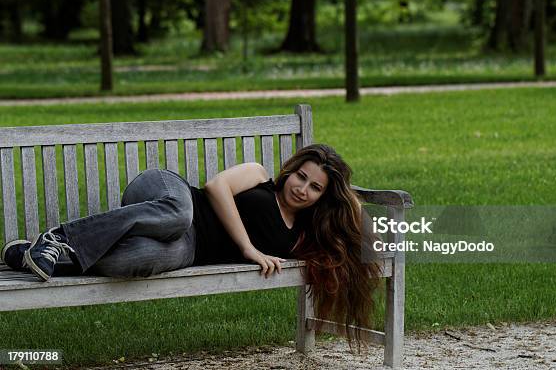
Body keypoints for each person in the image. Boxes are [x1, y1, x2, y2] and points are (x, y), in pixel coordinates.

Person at [1, 144, 380, 345]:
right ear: (291, 169)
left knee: (129, 263)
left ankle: (32, 255)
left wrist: (344, 196)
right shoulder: (259, 175)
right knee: (176, 216)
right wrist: (248, 249)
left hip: (189, 249)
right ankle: (62, 237)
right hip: (171, 196)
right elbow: (216, 187)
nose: (303, 189)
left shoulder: (302, 232)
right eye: (302, 176)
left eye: (315, 188)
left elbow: (353, 217)